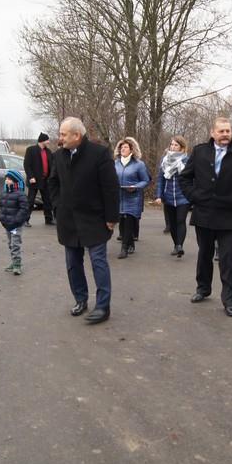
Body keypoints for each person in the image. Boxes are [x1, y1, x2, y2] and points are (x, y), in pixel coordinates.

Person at [178, 117, 232, 317]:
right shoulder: (200, 152)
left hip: (229, 215)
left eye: (228, 131)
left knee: (228, 259)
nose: (225, 134)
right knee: (204, 254)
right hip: (204, 213)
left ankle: (231, 299)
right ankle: (203, 288)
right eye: (221, 131)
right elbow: (185, 178)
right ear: (212, 133)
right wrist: (194, 197)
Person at [49, 117, 119, 324]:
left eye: (63, 134)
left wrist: (112, 217)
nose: (59, 138)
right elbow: (53, 183)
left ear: (76, 135)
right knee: (73, 263)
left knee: (98, 262)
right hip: (68, 221)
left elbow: (110, 187)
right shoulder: (59, 156)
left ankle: (103, 307)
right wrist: (57, 206)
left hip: (94, 219)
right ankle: (80, 299)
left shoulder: (99, 154)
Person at [113, 137, 150, 259]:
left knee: (129, 220)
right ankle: (130, 243)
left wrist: (135, 186)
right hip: (119, 196)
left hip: (133, 197)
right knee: (122, 224)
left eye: (125, 147)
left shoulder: (139, 164)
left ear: (131, 150)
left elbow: (145, 180)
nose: (123, 149)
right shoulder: (115, 163)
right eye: (121, 147)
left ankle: (124, 248)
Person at [154, 136, 190, 257]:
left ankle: (180, 245)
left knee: (180, 221)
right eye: (172, 145)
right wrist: (159, 195)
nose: (173, 147)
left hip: (183, 197)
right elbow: (160, 179)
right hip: (168, 196)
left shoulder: (187, 160)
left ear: (182, 147)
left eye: (176, 145)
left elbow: (192, 179)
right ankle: (176, 245)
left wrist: (192, 193)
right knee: (173, 223)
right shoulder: (165, 160)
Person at [0, 169, 29, 275]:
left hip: (16, 225)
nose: (7, 181)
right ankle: (13, 261)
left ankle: (17, 264)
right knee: (10, 243)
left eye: (9, 179)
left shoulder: (20, 194)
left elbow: (24, 209)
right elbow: (1, 207)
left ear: (16, 181)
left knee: (15, 244)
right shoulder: (4, 193)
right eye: (6, 179)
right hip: (7, 224)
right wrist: (1, 218)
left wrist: (17, 220)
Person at [23, 132, 55, 226]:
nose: (48, 142)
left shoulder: (48, 152)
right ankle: (25, 220)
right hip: (34, 180)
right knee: (31, 201)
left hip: (45, 180)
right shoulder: (31, 150)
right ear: (42, 141)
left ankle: (48, 219)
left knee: (47, 200)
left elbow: (51, 165)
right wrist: (31, 177)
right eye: (47, 140)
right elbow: (27, 165)